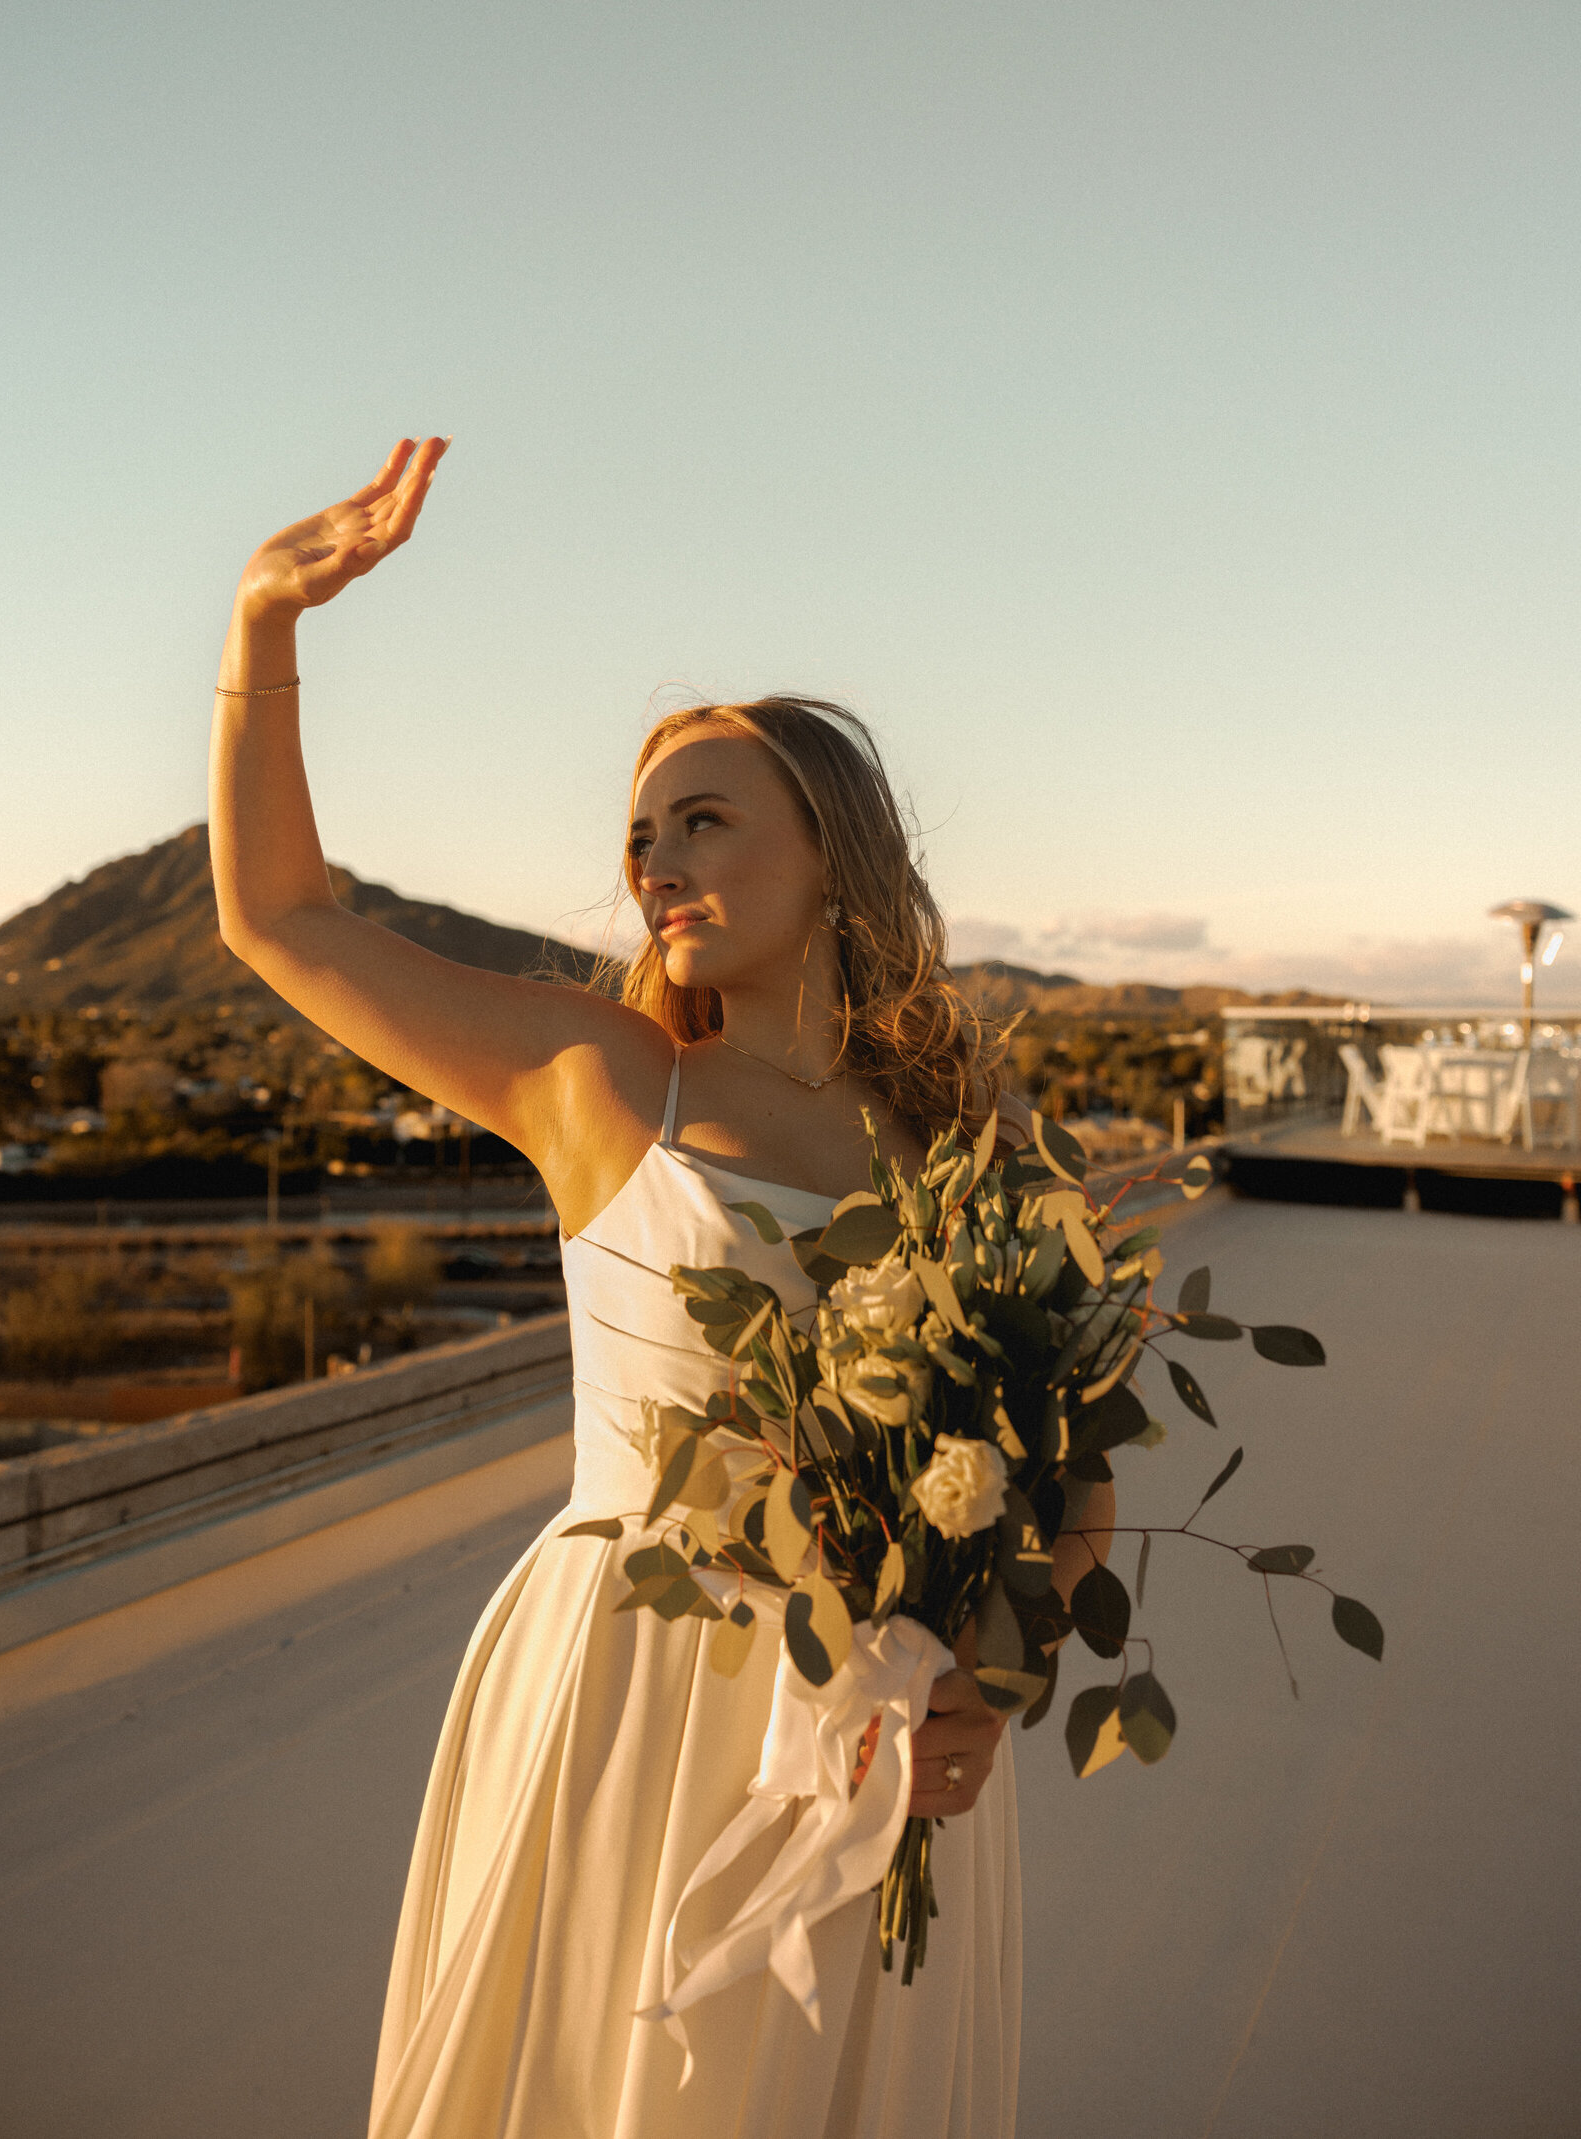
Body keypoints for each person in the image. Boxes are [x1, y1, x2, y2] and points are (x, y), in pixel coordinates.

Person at [210, 438, 1116, 2139]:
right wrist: (266, 622)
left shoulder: (984, 1145)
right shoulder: (603, 1077)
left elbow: (1078, 1485)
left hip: (886, 1741)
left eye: (704, 819)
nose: (656, 860)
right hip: (633, 1687)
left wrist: (991, 1691)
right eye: (640, 834)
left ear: (833, 853)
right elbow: (283, 918)